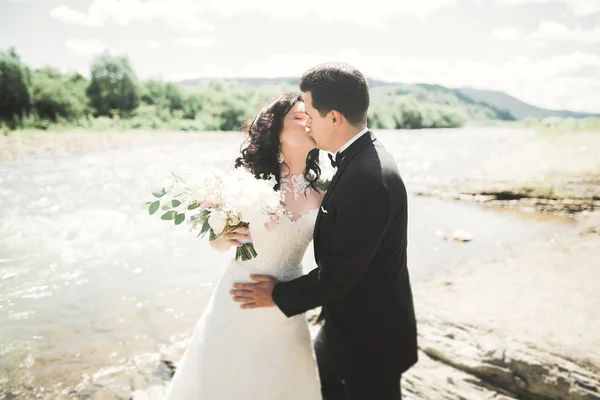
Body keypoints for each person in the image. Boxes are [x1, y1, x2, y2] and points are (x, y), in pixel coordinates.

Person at [231, 62, 418, 400]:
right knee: (319, 382)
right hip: (347, 325)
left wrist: (275, 294)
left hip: (371, 339)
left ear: (333, 118)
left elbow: (340, 275)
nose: (308, 126)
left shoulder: (366, 178)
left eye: (311, 117)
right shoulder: (362, 161)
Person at [165, 93, 323, 399]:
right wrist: (221, 237)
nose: (307, 123)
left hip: (287, 303)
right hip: (240, 298)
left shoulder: (322, 193)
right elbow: (218, 243)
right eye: (298, 117)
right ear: (275, 131)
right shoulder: (246, 182)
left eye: (310, 117)